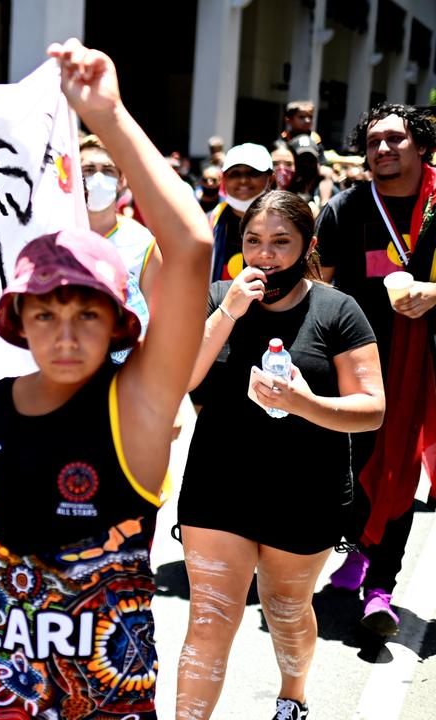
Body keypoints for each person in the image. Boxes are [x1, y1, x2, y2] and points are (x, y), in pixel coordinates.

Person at [0, 39, 213, 719]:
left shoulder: (136, 405)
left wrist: (108, 118)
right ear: (18, 320)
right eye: (47, 311)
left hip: (103, 697)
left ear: (118, 324)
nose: (65, 332)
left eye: (87, 313)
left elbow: (193, 248)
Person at [176, 190, 384, 720]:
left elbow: (372, 408)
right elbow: (180, 378)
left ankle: (293, 696)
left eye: (280, 243)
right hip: (218, 486)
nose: (264, 256)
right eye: (253, 241)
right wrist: (227, 312)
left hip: (305, 491)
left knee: (287, 611)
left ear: (308, 246)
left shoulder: (338, 310)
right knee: (210, 617)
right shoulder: (219, 297)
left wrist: (303, 403)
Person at [316, 103, 436, 637]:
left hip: (429, 366)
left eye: (395, 140)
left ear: (422, 145)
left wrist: (434, 292)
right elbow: (319, 285)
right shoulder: (345, 208)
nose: (382, 150)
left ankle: (380, 583)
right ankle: (364, 556)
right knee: (362, 464)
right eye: (372, 143)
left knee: (404, 468)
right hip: (363, 366)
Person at [80, 133, 161, 362]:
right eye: (88, 170)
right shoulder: (54, 236)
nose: (97, 178)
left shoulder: (143, 242)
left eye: (107, 170)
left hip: (123, 375)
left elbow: (156, 324)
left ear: (122, 179)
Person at [210, 144, 273, 281]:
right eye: (235, 174)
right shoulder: (207, 223)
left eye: (253, 173)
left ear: (271, 178)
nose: (243, 180)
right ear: (224, 179)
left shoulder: (287, 224)